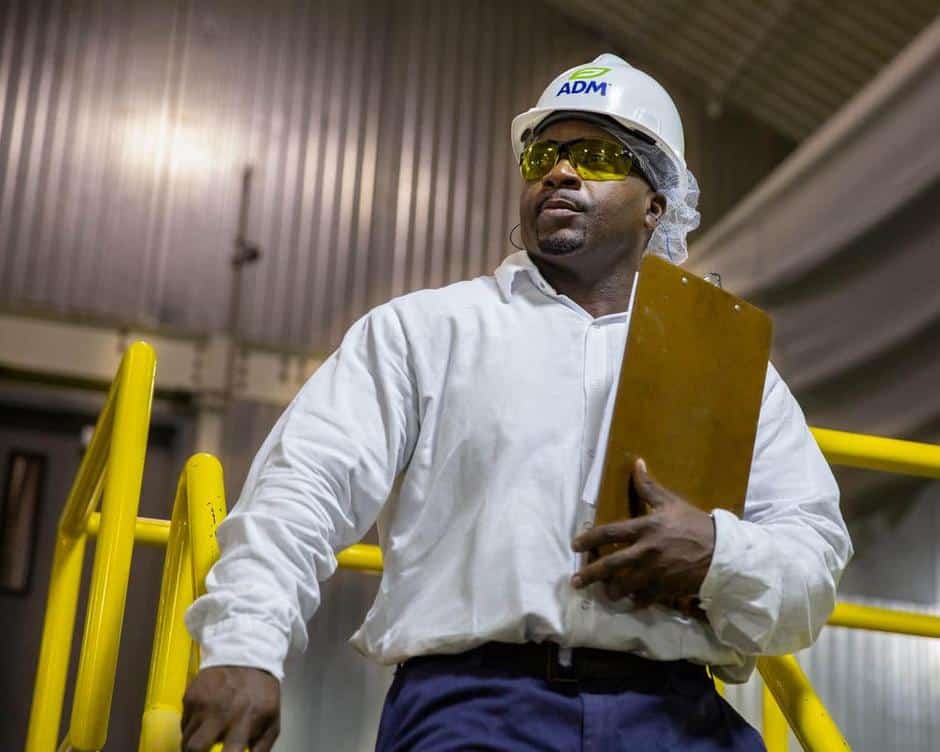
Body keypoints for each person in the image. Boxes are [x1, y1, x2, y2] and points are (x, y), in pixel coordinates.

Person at [180, 54, 852, 751]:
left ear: (657, 203)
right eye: (543, 155)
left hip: (678, 715)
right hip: (474, 710)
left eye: (592, 155)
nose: (559, 172)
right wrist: (243, 645)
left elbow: (811, 566)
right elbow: (303, 489)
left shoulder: (729, 368)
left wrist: (718, 555)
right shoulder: (425, 331)